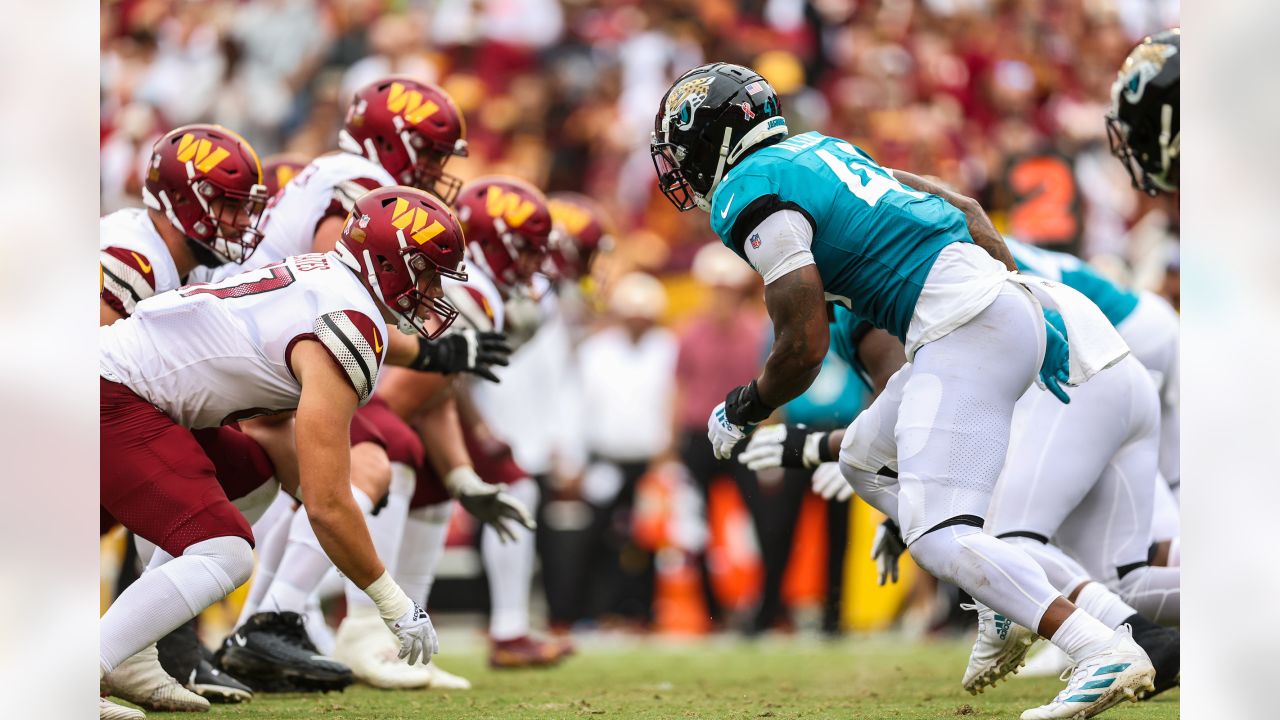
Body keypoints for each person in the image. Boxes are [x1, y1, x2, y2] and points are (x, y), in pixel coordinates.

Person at [650, 62, 1154, 719]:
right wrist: (1011, 299)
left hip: (959, 324)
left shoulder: (749, 189)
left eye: (683, 149)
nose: (680, 169)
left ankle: (1096, 645)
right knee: (862, 454)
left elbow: (801, 347)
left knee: (938, 533)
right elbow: (967, 209)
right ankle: (1001, 596)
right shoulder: (824, 149)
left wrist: (744, 406)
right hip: (990, 308)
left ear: (713, 136)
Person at [204, 77, 525, 692]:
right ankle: (281, 619)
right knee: (377, 458)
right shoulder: (364, 192)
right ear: (390, 140)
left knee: (376, 457)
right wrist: (436, 351)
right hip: (261, 363)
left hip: (260, 355)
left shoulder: (343, 175)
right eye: (429, 153)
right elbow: (345, 290)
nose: (435, 169)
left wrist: (460, 469)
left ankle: (273, 623)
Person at [99, 185, 467, 720]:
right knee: (226, 551)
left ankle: (131, 649)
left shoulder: (323, 276)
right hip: (113, 393)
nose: (432, 289)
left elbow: (266, 413)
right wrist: (393, 603)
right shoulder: (349, 324)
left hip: (137, 392)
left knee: (252, 475)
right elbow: (327, 504)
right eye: (428, 271)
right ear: (390, 262)